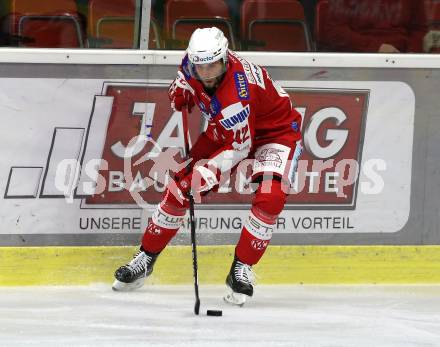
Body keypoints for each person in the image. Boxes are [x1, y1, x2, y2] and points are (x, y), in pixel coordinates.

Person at [112, 27, 303, 306]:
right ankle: (145, 259)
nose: (207, 73)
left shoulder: (236, 95)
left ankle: (242, 269)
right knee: (179, 187)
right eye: (201, 67)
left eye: (213, 66)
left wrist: (205, 172)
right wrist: (178, 93)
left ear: (225, 60)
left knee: (270, 197)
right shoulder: (192, 64)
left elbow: (240, 148)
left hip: (276, 134)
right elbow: (181, 86)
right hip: (226, 130)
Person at [320, 0, 428, 53]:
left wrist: (412, 53)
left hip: (403, 59)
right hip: (359, 59)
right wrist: (376, 47)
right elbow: (334, 32)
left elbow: (419, 29)